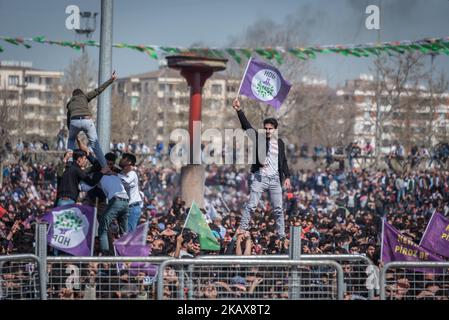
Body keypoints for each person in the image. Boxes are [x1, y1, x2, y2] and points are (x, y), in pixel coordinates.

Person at [232, 99, 290, 240]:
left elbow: (283, 161)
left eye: (270, 128)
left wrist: (287, 177)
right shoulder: (259, 138)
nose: (268, 130)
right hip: (260, 177)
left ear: (275, 129)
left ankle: (281, 235)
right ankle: (243, 227)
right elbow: (247, 127)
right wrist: (239, 110)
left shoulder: (280, 143)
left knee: (278, 209)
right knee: (252, 204)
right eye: (266, 128)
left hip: (275, 179)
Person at [66, 71, 117, 168]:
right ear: (81, 94)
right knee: (95, 145)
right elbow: (98, 90)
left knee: (71, 140)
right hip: (86, 120)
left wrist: (72, 132)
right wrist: (111, 80)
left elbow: (68, 121)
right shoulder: (84, 96)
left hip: (74, 122)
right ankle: (105, 168)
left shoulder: (69, 103)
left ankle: (69, 163)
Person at [118, 153, 142, 232]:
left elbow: (126, 181)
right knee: (124, 232)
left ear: (129, 162)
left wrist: (114, 173)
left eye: (123, 158)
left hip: (133, 207)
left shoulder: (132, 173)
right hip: (127, 207)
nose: (121, 160)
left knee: (128, 234)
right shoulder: (122, 174)